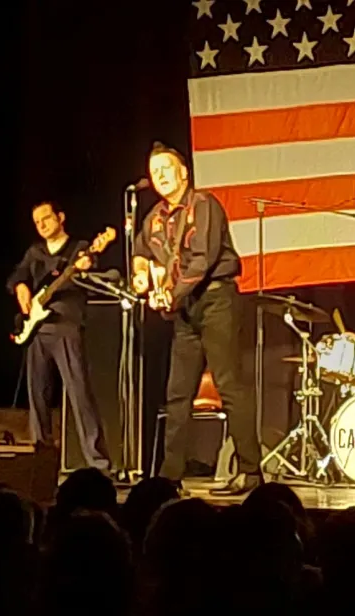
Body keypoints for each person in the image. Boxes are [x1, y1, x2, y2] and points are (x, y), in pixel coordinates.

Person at [131, 142, 261, 496]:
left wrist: (169, 295)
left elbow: (202, 260)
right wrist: (142, 277)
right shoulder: (154, 218)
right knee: (178, 393)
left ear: (183, 173)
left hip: (216, 299)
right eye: (154, 171)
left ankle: (250, 470)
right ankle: (170, 477)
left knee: (229, 385)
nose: (159, 176)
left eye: (166, 169)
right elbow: (141, 254)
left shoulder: (203, 205)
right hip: (185, 309)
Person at [7, 200, 111, 473]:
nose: (42, 225)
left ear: (60, 217)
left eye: (46, 219)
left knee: (79, 394)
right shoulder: (35, 252)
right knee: (38, 397)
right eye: (37, 222)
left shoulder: (78, 248)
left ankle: (97, 463)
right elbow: (17, 274)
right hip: (38, 330)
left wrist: (86, 264)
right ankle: (41, 460)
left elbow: (91, 270)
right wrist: (21, 287)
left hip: (66, 326)